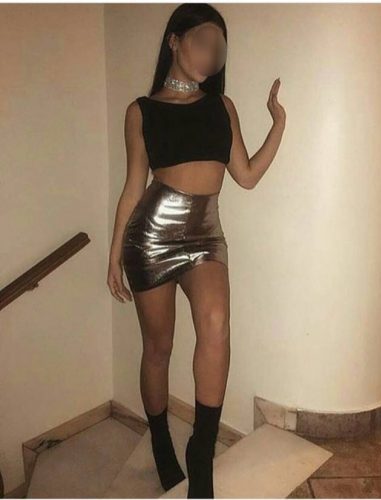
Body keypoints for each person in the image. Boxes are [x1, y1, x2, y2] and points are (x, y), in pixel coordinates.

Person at [107, 3, 286, 498]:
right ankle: (161, 441)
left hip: (206, 234)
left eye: (218, 47)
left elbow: (245, 176)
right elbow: (133, 186)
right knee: (158, 348)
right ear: (174, 40)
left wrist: (278, 123)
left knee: (216, 324)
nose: (211, 54)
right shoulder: (141, 111)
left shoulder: (221, 106)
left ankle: (200, 452)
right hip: (151, 235)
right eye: (203, 41)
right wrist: (114, 253)